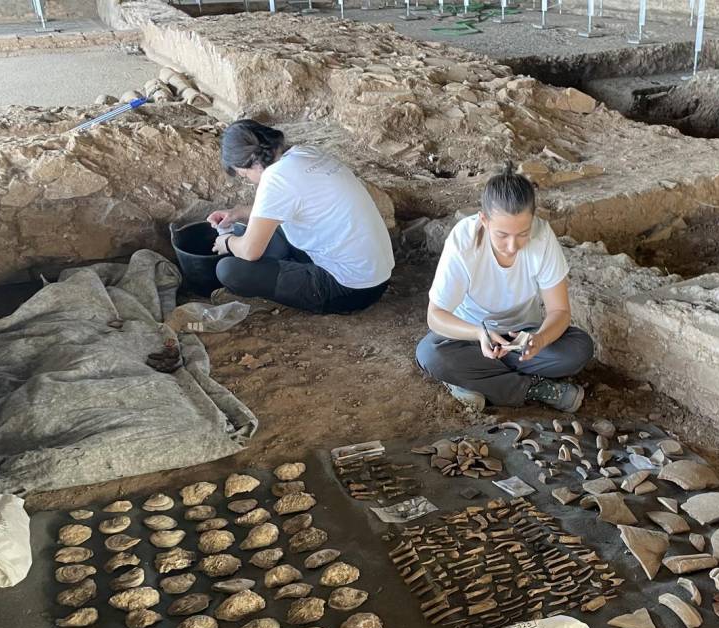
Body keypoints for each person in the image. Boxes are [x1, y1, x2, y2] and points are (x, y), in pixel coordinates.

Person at [415, 163, 593, 413]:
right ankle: (531, 387)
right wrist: (479, 334)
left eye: (523, 233)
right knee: (430, 353)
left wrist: (540, 339)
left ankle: (473, 380)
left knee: (578, 348)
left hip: (522, 339)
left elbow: (560, 311)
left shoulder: (542, 238)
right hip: (471, 339)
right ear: (484, 220)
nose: (512, 246)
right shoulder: (463, 240)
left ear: (533, 219)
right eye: (502, 235)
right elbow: (435, 317)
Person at [207, 119, 394, 314]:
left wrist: (226, 241)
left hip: (351, 288)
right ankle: (290, 268)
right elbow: (282, 207)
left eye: (244, 175)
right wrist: (238, 213)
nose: (249, 181)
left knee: (229, 270)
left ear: (252, 162)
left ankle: (294, 273)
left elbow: (249, 251)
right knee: (266, 233)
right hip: (375, 273)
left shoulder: (274, 177)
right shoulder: (304, 153)